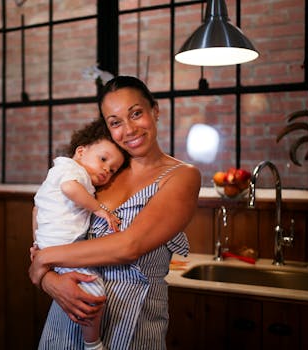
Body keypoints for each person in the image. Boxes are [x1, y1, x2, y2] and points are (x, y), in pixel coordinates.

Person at [30, 75, 201, 350]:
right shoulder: (102, 175)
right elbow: (45, 205)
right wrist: (49, 280)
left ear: (154, 111)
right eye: (115, 122)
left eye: (136, 114)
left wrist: (42, 260)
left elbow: (129, 245)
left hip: (132, 328)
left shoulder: (181, 176)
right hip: (69, 318)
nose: (129, 129)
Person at [33, 118, 127, 350]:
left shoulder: (67, 173)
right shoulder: (72, 172)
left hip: (53, 245)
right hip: (62, 246)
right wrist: (98, 209)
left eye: (113, 169)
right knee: (93, 292)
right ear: (81, 151)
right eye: (103, 159)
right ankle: (92, 343)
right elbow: (69, 188)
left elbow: (37, 206)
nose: (107, 169)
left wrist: (37, 240)